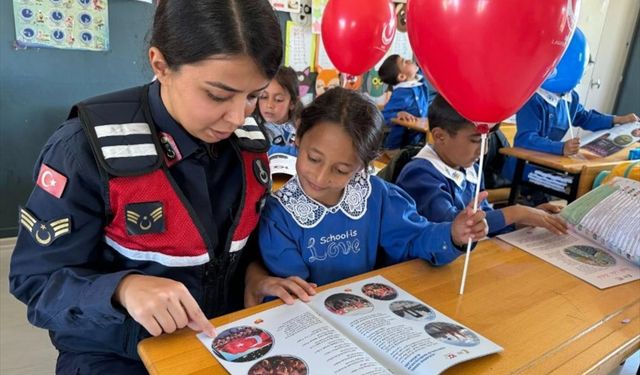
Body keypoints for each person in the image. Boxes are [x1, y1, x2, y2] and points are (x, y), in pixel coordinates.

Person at [8, 1, 314, 373]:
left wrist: (255, 274)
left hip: (222, 340)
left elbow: (238, 245)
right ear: (161, 65)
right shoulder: (84, 148)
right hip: (116, 353)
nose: (237, 117)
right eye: (217, 95)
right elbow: (37, 283)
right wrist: (123, 288)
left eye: (253, 96)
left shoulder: (250, 143)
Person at [258, 87, 488, 286]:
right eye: (313, 158)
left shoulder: (376, 196)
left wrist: (453, 235)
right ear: (298, 138)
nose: (320, 177)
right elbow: (291, 291)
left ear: (362, 166)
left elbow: (414, 239)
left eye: (341, 170)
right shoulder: (279, 216)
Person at [396, 94, 568, 237]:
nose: (484, 150)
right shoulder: (419, 174)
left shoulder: (471, 169)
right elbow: (454, 226)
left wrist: (525, 219)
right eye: (476, 140)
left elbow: (485, 221)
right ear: (440, 136)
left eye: (488, 140)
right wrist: (516, 213)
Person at [502, 87, 639, 181]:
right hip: (525, 169)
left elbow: (585, 117)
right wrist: (561, 148)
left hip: (552, 167)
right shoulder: (533, 97)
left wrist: (618, 120)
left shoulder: (570, 97)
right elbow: (525, 139)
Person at [378, 54, 436, 149]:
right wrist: (398, 114)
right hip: (399, 147)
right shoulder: (401, 94)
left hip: (421, 140)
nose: (409, 60)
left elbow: (423, 61)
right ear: (401, 77)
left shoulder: (418, 80)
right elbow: (383, 116)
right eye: (404, 62)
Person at [257, 65, 302, 152]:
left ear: (292, 103)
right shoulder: (253, 129)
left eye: (278, 99)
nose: (269, 105)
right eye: (263, 97)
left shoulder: (301, 128)